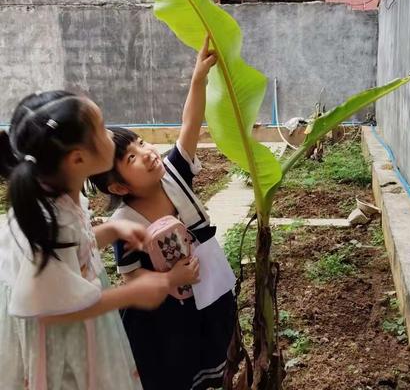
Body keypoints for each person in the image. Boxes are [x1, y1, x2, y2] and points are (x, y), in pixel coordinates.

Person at [0, 90, 200, 389]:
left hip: (77, 324)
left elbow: (68, 252)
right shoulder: (52, 221)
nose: (110, 134)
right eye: (102, 128)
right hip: (63, 347)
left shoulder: (56, 195)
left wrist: (111, 231)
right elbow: (50, 310)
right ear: (78, 158)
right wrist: (133, 292)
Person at [90, 37, 236, 390]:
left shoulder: (174, 174)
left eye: (141, 142)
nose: (146, 152)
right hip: (165, 317)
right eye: (131, 158)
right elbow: (131, 279)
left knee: (213, 352)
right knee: (175, 370)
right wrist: (171, 280)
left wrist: (198, 79)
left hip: (208, 287)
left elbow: (189, 125)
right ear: (119, 188)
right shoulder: (123, 225)